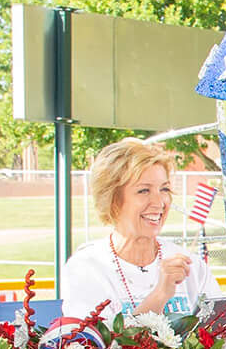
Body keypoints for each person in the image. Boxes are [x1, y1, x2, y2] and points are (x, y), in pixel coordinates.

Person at [59, 138, 215, 322]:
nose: (159, 203)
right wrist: (160, 295)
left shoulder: (190, 265)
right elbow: (95, 347)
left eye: (164, 189)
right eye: (144, 191)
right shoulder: (87, 267)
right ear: (113, 199)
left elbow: (225, 331)